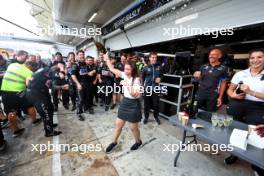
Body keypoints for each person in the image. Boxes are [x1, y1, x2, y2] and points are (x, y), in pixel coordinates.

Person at [224, 49, 264, 176]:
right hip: (238, 104)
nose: (255, 60)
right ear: (249, 59)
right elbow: (229, 90)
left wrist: (251, 92)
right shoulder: (241, 74)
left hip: (258, 107)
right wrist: (234, 96)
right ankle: (234, 154)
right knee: (236, 130)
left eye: (259, 57)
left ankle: (256, 164)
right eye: (252, 57)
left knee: (255, 135)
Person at [103, 53, 143, 153]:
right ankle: (114, 142)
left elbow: (134, 94)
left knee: (133, 128)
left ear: (133, 70)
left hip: (134, 104)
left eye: (128, 69)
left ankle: (138, 141)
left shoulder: (137, 80)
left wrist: (127, 84)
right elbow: (112, 69)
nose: (126, 71)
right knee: (118, 124)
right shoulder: (125, 74)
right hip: (125, 102)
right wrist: (107, 59)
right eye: (125, 69)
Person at [1, 51, 41, 137]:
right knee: (30, 106)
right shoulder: (29, 72)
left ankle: (16, 130)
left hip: (5, 91)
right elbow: (28, 85)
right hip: (20, 91)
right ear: (31, 68)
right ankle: (34, 120)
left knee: (11, 111)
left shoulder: (12, 65)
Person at [26, 64, 62, 137]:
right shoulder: (49, 71)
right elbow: (57, 81)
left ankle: (50, 124)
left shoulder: (45, 70)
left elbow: (49, 85)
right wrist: (62, 71)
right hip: (36, 94)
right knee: (46, 112)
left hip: (42, 92)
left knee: (50, 108)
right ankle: (49, 132)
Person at [142, 52, 163, 125]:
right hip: (147, 89)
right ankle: (146, 117)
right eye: (153, 57)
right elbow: (142, 79)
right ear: (149, 58)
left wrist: (160, 79)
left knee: (156, 105)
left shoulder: (159, 67)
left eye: (155, 57)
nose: (154, 59)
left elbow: (162, 76)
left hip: (156, 89)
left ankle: (156, 117)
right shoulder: (146, 68)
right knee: (146, 105)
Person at [71, 50, 89, 121]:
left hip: (86, 83)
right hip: (80, 84)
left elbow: (85, 73)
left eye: (83, 54)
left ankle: (84, 109)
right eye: (80, 55)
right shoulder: (75, 64)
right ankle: (79, 113)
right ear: (77, 56)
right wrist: (78, 84)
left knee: (84, 98)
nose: (82, 56)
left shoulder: (85, 64)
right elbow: (73, 76)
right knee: (80, 99)